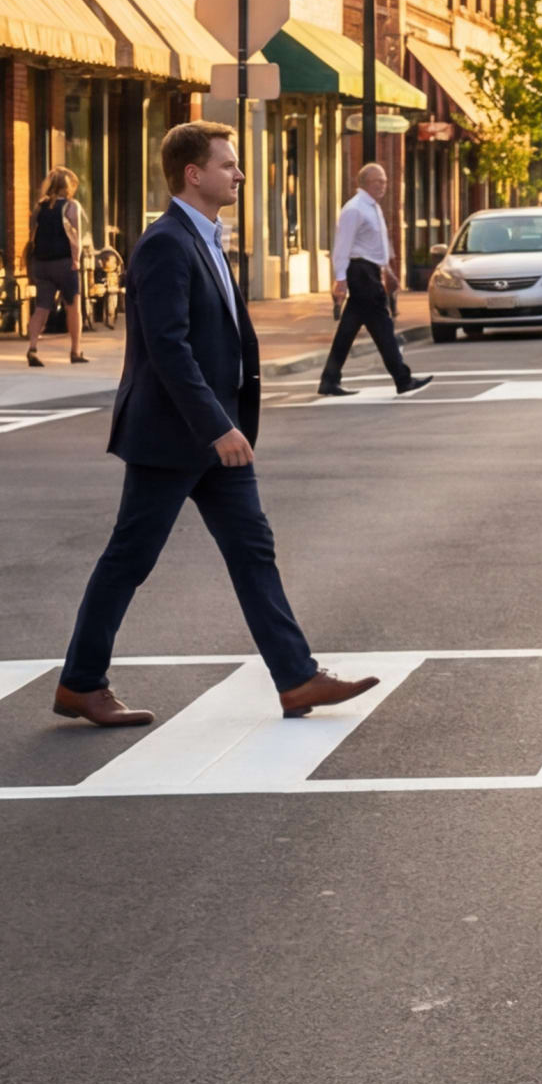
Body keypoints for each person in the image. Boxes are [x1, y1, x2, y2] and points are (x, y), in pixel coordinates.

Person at [52, 124, 378, 729]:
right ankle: (81, 683)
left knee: (253, 550)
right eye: (228, 165)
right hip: (174, 435)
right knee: (131, 557)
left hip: (216, 434)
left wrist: (227, 423)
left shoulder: (206, 238)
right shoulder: (165, 244)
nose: (240, 174)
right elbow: (168, 348)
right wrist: (215, 427)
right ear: (192, 174)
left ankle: (296, 678)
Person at [319, 160, 429, 397]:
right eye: (378, 181)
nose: (383, 185)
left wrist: (387, 270)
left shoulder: (373, 207)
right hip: (360, 273)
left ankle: (329, 379)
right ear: (365, 182)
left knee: (348, 330)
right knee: (382, 325)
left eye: (385, 181)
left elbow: (378, 244)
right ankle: (402, 378)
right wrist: (340, 280)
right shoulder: (354, 209)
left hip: (370, 271)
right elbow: (342, 247)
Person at [25, 167, 88, 367]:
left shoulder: (40, 206)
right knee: (73, 307)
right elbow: (75, 235)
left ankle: (32, 348)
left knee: (41, 308)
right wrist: (76, 261)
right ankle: (75, 350)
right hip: (64, 262)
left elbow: (32, 232)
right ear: (68, 187)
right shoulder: (71, 206)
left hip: (41, 264)